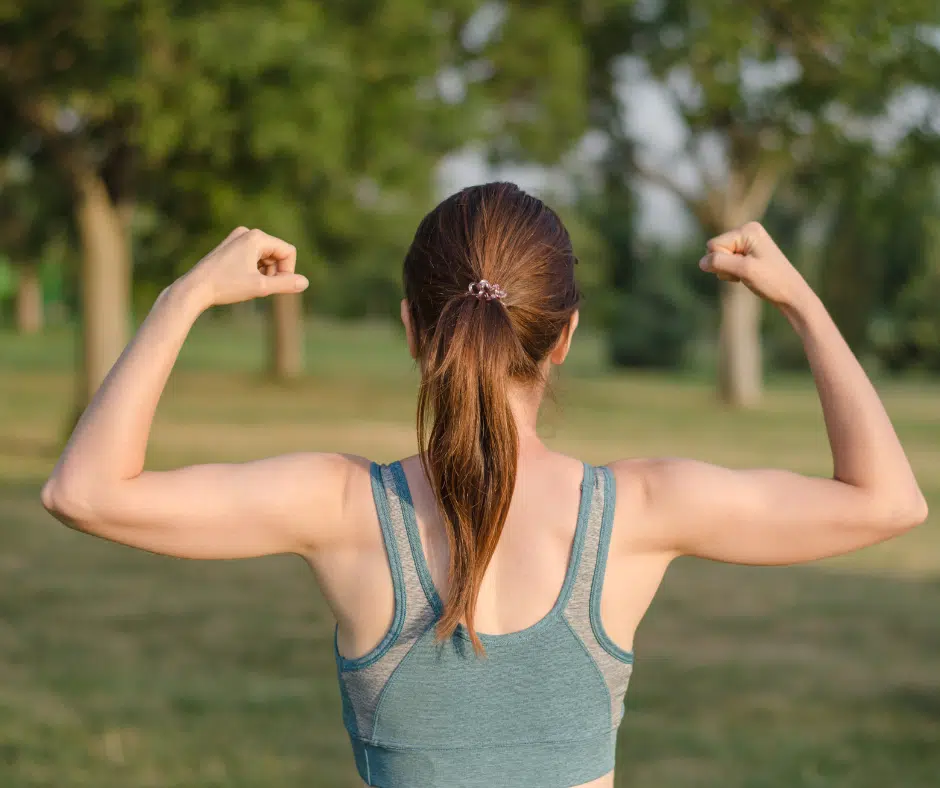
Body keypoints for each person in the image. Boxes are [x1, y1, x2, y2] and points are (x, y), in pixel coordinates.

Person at [42, 182, 927, 788]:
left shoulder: (344, 506)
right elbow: (888, 501)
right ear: (565, 335)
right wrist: (803, 303)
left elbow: (83, 492)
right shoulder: (642, 511)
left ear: (411, 329)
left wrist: (181, 299)